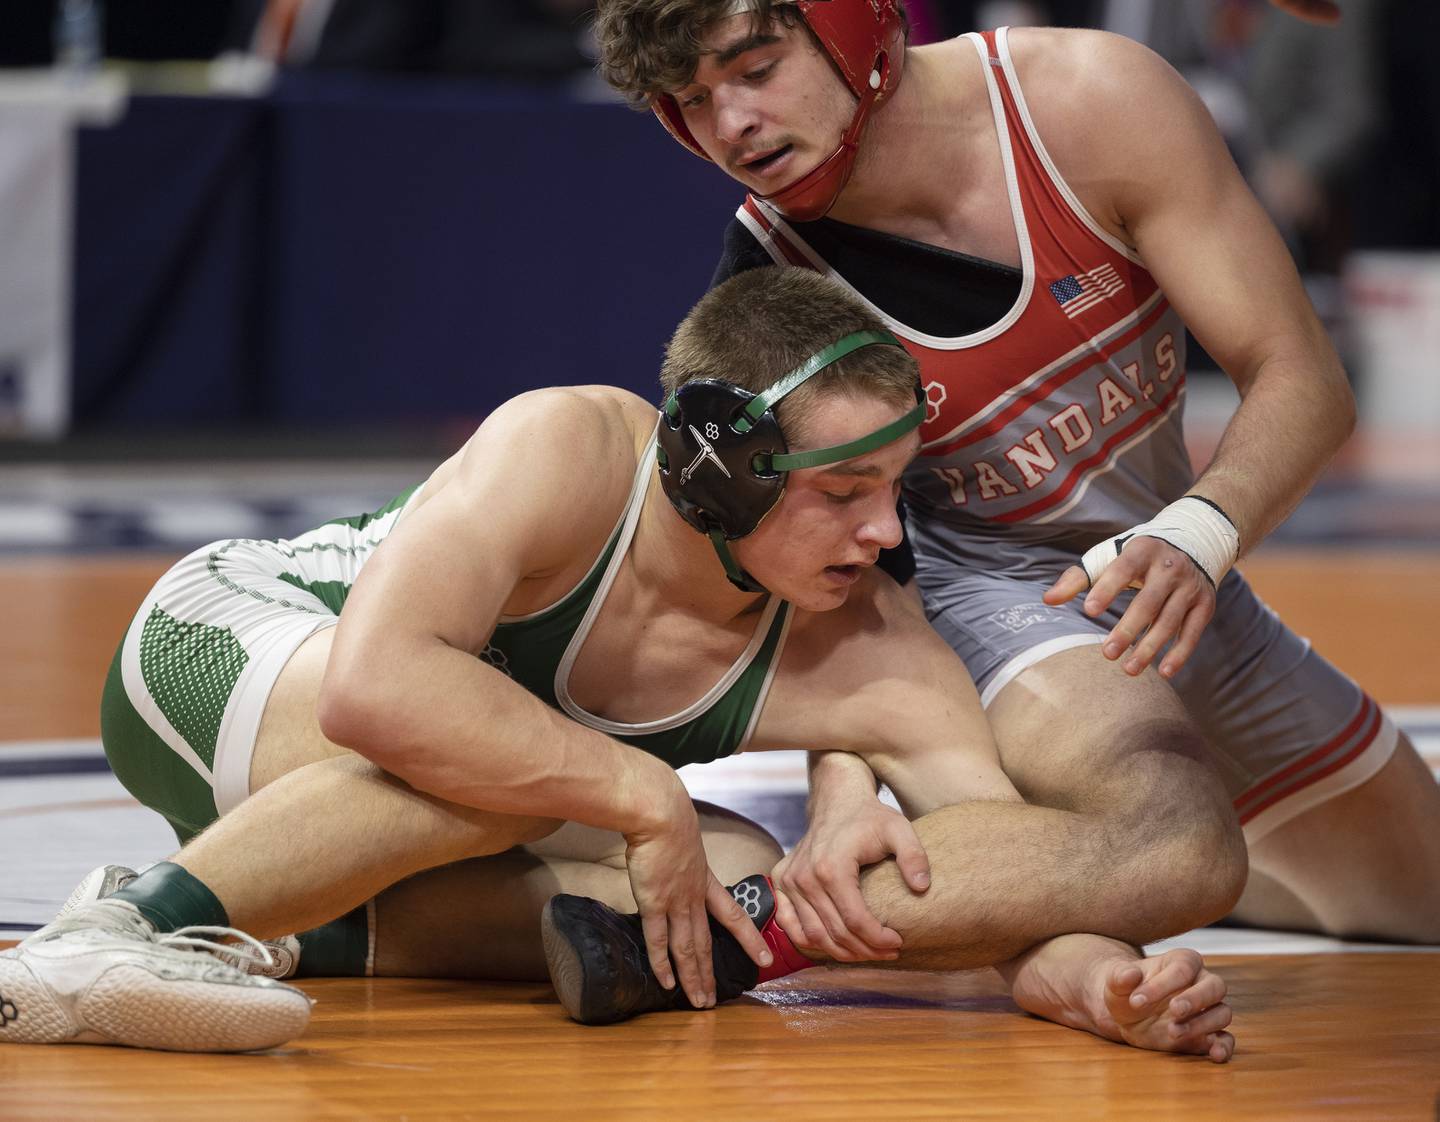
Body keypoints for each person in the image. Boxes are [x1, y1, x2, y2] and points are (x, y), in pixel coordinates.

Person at [1, 269, 1236, 1060]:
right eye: (845, 492)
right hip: (218, 643)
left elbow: (995, 874)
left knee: (731, 884)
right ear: (717, 471)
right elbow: (375, 692)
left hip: (369, 797)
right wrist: (639, 789)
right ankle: (110, 937)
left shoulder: (877, 656)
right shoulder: (572, 446)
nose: (884, 533)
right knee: (508, 761)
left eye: (893, 489)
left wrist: (1098, 984)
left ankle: (268, 921)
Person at [590, 0, 1440, 952]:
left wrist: (1203, 529)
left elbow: (1302, 376)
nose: (733, 125)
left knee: (1422, 898)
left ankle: (1053, 890)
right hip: (989, 594)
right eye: (693, 101)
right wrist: (843, 782)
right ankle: (728, 941)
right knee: (1172, 821)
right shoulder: (772, 285)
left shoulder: (1091, 105)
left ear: (851, 27)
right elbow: (821, 573)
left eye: (754, 71)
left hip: (1177, 561)